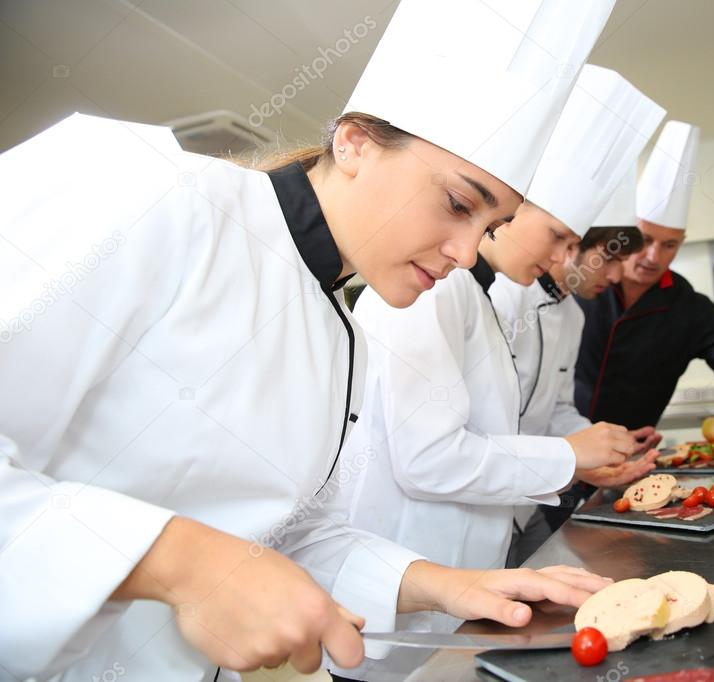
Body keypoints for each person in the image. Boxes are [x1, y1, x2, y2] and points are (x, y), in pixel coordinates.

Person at [0, 1, 618, 679]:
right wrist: (176, 560)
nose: (468, 253)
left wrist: (445, 583)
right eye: (457, 204)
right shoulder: (145, 190)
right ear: (353, 143)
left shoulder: (340, 333)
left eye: (490, 225)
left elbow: (291, 533)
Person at [336, 64, 658, 680]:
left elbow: (504, 425)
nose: (565, 260)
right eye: (559, 237)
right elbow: (429, 458)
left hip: (468, 583)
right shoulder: (430, 292)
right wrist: (569, 457)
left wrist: (588, 449)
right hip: (408, 586)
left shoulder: (472, 296)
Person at [575, 120, 714, 445]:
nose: (653, 256)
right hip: (561, 452)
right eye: (646, 239)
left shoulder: (687, 308)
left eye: (669, 245)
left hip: (630, 459)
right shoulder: (583, 285)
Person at [491, 166, 664, 565]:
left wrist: (605, 445)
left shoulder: (573, 316)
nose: (618, 275)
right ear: (572, 246)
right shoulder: (502, 295)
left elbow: (557, 410)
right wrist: (574, 457)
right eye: (608, 259)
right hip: (484, 499)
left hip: (525, 504)